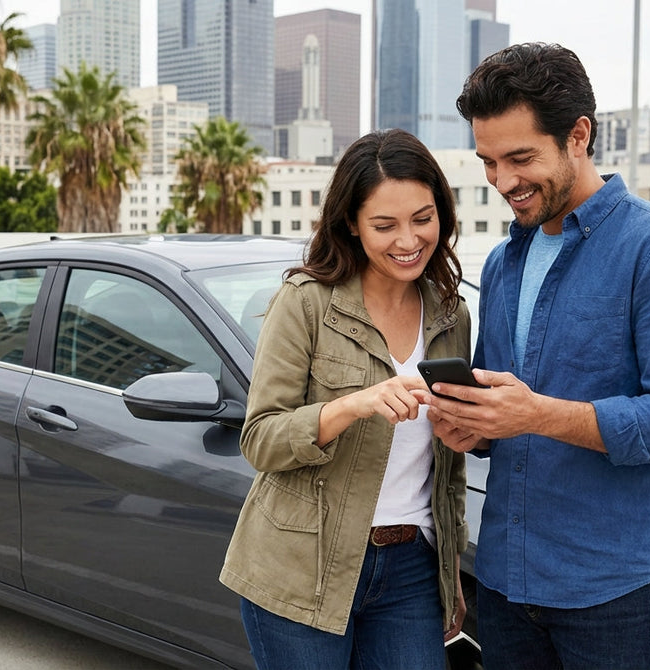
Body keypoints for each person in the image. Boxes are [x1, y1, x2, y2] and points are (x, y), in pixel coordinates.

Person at [417, 42, 650, 670]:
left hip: (612, 594)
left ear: (578, 136)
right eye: (488, 162)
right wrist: (469, 428)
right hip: (503, 582)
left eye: (520, 158)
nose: (503, 182)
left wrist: (535, 415)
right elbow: (505, 416)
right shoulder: (505, 262)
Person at [219, 128, 471, 669]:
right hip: (302, 565)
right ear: (352, 225)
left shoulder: (452, 312)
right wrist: (352, 405)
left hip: (411, 568)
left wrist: (449, 572)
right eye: (385, 225)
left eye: (422, 219)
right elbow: (260, 439)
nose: (408, 240)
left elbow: (446, 471)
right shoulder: (305, 302)